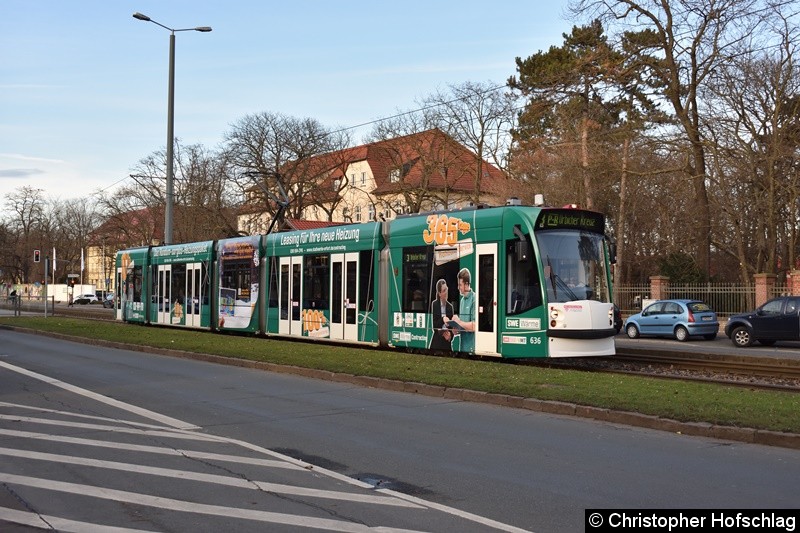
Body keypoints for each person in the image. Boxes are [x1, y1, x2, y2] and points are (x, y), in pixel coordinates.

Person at [444, 267, 475, 353]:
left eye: (460, 285)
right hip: (463, 348)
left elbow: (475, 326)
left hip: (472, 347)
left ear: (466, 284)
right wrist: (456, 329)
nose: (458, 288)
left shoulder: (475, 299)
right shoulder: (462, 301)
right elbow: (463, 326)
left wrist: (459, 322)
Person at [429, 279, 454, 351]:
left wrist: (450, 336)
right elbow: (434, 326)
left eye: (446, 289)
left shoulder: (450, 307)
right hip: (437, 339)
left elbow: (452, 327)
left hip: (446, 342)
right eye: (444, 291)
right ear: (439, 293)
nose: (446, 292)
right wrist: (443, 319)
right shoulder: (435, 304)